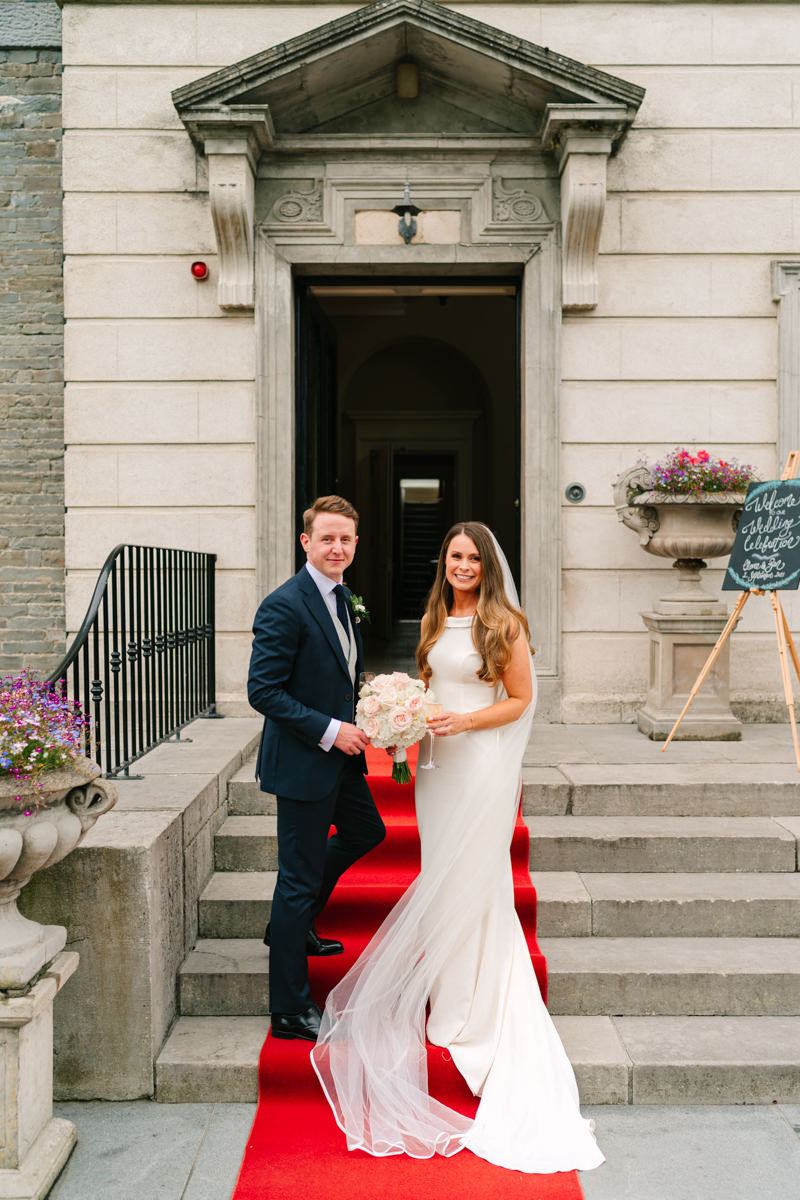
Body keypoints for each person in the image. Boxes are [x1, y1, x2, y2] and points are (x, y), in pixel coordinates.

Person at [312, 522, 603, 1173]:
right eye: (455, 557)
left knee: (475, 878)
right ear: (444, 564)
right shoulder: (436, 617)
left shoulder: (505, 623)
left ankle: (478, 1007)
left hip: (480, 767)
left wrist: (464, 720)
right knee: (444, 874)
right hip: (437, 769)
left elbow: (522, 700)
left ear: (487, 565)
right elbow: (426, 689)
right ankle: (448, 1000)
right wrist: (403, 731)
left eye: (473, 558)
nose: (464, 565)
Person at [247, 495, 385, 1043]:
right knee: (296, 879)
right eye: (327, 538)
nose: (337, 547)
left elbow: (340, 671)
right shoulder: (285, 604)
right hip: (306, 761)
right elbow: (264, 691)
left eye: (346, 539)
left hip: (341, 758)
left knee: (367, 831)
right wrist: (331, 730)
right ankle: (289, 1008)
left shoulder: (344, 597)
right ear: (305, 542)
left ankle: (293, 926)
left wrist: (368, 705)